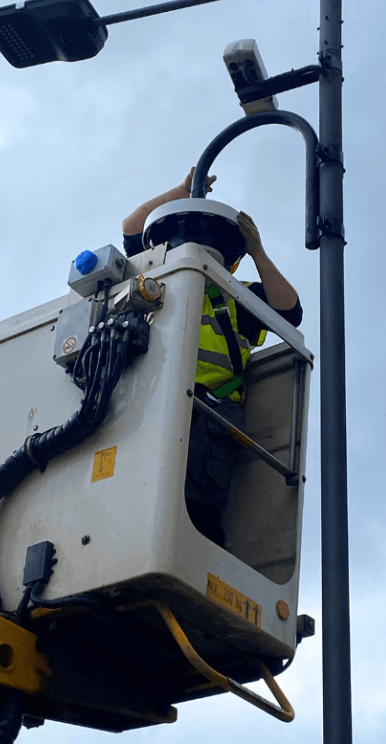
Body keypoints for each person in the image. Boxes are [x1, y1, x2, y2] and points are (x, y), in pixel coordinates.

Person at [122, 168, 303, 547]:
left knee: (197, 505)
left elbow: (289, 311)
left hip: (210, 414)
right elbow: (132, 227)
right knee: (138, 492)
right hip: (151, 400)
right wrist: (183, 190)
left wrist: (258, 251)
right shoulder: (156, 278)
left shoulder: (238, 295)